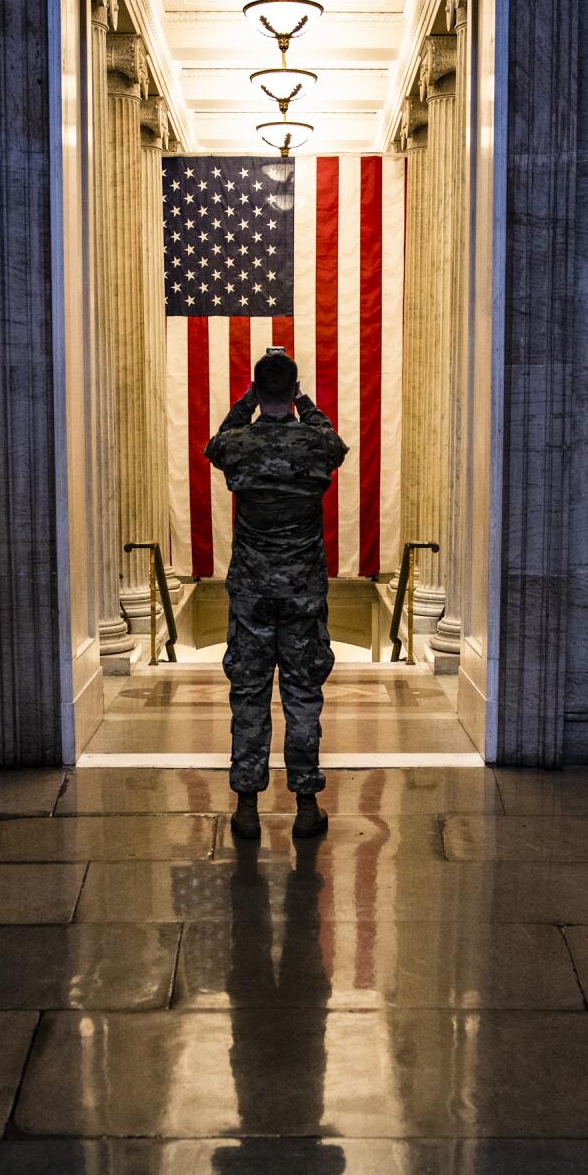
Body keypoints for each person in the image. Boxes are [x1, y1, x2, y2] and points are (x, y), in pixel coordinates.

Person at [204, 351, 349, 841]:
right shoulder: (314, 443)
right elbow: (335, 441)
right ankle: (306, 805)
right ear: (294, 390)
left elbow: (215, 443)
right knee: (303, 695)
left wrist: (248, 399)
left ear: (255, 391)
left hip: (251, 593)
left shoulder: (239, 444)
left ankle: (247, 806)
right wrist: (303, 401)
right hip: (302, 593)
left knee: (248, 694)